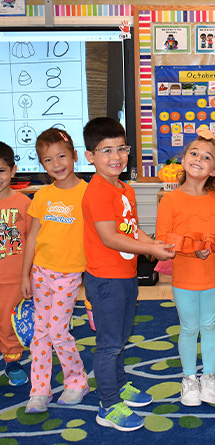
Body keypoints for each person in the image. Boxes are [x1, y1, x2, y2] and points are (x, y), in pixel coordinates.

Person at [82, 117, 175, 431]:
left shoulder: (124, 188)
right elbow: (110, 237)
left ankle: (119, 384)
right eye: (106, 150)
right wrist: (149, 249)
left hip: (125, 276)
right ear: (90, 156)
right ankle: (108, 404)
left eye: (121, 148)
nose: (116, 157)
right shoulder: (96, 192)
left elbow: (131, 230)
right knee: (108, 344)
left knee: (120, 338)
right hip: (106, 280)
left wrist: (153, 243)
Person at [20, 129, 88, 413]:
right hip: (40, 272)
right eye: (48, 160)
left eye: (62, 156)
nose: (57, 164)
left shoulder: (88, 193)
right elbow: (33, 237)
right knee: (40, 332)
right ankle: (40, 389)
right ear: (42, 165)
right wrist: (25, 274)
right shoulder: (42, 195)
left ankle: (77, 381)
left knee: (58, 330)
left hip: (69, 273)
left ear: (74, 155)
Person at [156, 128, 215, 407]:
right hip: (184, 277)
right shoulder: (170, 199)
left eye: (207, 157)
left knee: (210, 325)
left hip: (213, 276)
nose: (199, 159)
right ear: (182, 160)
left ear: (214, 170)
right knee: (188, 328)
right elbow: (163, 239)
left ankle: (208, 377)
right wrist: (190, 248)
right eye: (194, 153)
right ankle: (188, 378)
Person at [0, 142, 31, 387]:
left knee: (9, 322)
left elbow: (33, 242)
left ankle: (12, 359)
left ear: (13, 171)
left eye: (0, 170)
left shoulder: (25, 204)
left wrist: (28, 275)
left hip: (13, 278)